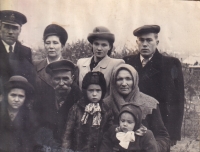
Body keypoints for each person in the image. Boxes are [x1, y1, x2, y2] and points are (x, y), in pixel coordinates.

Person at [123, 25, 184, 146]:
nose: (145, 44)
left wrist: (173, 133)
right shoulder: (127, 62)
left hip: (160, 128)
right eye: (141, 40)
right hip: (131, 126)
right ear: (137, 42)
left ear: (157, 42)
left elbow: (178, 100)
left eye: (149, 40)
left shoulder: (171, 64)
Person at [104, 64, 170, 152]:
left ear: (135, 80)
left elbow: (162, 136)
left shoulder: (150, 104)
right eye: (119, 79)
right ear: (113, 82)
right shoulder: (105, 104)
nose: (124, 83)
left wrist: (150, 147)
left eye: (128, 79)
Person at [34, 60, 82, 151]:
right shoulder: (43, 99)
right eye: (57, 79)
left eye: (65, 79)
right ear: (51, 79)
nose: (61, 83)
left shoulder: (80, 99)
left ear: (72, 78)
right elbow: (40, 126)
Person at [62, 71, 113, 152]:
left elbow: (109, 132)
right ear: (85, 91)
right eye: (91, 90)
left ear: (103, 91)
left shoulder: (106, 110)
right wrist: (65, 149)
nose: (94, 94)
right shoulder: (76, 109)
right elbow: (68, 133)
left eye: (98, 90)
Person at [77, 26, 124, 95]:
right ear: (92, 45)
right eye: (96, 44)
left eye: (104, 45)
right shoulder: (81, 63)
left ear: (110, 47)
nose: (99, 48)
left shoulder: (116, 64)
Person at [0, 76, 38, 152]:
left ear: (25, 98)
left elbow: (29, 143)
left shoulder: (30, 117)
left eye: (21, 96)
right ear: (7, 96)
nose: (16, 100)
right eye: (13, 95)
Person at [0, 10, 36, 89]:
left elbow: (31, 81)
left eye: (15, 28)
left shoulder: (26, 52)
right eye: (6, 27)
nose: (10, 32)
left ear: (20, 31)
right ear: (0, 27)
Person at [34, 24, 68, 107]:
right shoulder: (34, 66)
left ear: (62, 46)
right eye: (48, 43)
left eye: (55, 43)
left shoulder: (71, 68)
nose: (51, 47)